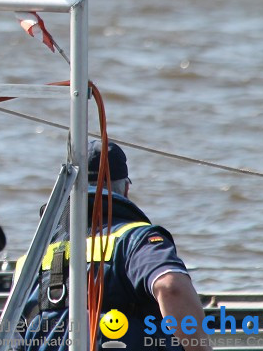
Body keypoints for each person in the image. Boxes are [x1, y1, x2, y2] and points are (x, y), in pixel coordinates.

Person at [18, 140, 211, 350]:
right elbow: (170, 287)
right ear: (125, 188)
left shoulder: (38, 251)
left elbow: (14, 331)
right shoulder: (136, 240)